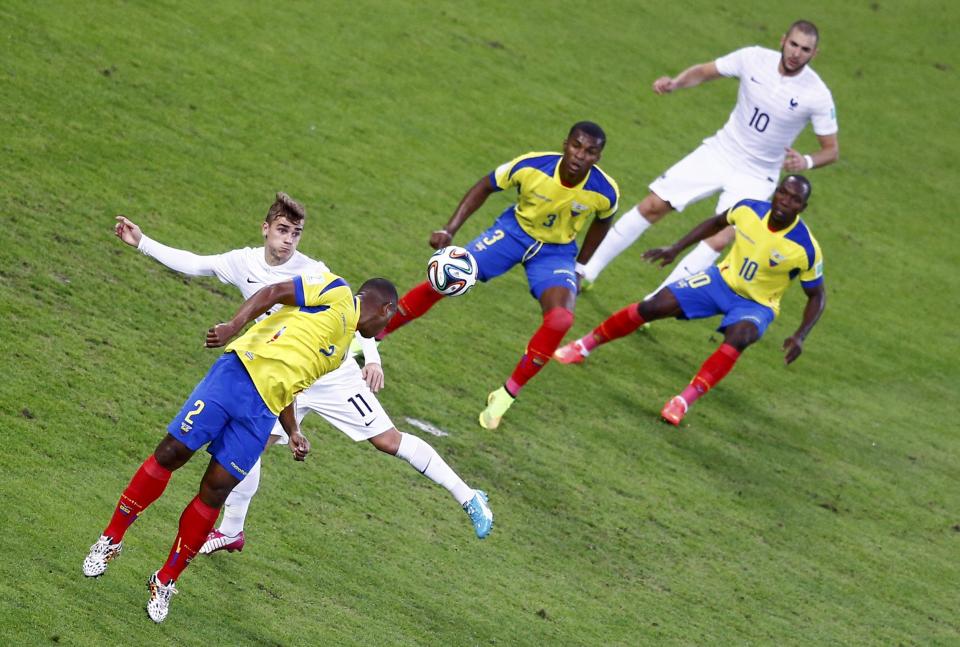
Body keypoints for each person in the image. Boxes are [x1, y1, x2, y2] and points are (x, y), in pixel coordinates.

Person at [111, 195, 493, 559]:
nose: (288, 241)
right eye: (282, 231)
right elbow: (196, 263)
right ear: (265, 229)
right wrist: (142, 241)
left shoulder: (314, 271)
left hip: (330, 376)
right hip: (277, 376)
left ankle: (467, 495)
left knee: (387, 440)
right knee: (247, 451)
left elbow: (358, 313)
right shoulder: (242, 264)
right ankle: (231, 530)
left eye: (295, 234)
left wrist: (371, 357)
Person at [83, 253, 399, 623]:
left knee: (215, 491)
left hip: (263, 413)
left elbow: (291, 385)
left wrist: (294, 429)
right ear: (386, 308)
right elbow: (275, 291)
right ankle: (110, 539)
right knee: (171, 452)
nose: (382, 330)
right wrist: (234, 325)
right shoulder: (338, 291)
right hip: (236, 375)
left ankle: (165, 579)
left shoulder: (342, 352)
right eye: (389, 320)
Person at [376, 122, 620, 429]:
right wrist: (449, 229)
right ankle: (373, 337)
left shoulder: (605, 191)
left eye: (590, 151)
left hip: (555, 254)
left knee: (561, 320)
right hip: (511, 234)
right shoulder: (532, 165)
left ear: (598, 157)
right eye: (576, 146)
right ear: (565, 143)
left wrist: (580, 266)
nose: (580, 155)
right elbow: (485, 185)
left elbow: (603, 221)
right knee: (447, 279)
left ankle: (505, 395)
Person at [579, 20, 838, 297]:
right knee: (654, 204)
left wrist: (807, 161)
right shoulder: (753, 58)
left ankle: (654, 303)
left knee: (718, 238)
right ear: (783, 40)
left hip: (758, 175)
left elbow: (831, 149)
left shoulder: (817, 95)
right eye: (794, 44)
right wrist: (676, 83)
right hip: (719, 151)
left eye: (805, 49)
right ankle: (586, 271)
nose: (796, 53)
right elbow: (705, 71)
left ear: (814, 54)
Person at [555, 175, 825, 425]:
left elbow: (817, 295)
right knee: (653, 306)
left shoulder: (805, 248)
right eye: (783, 193)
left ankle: (682, 401)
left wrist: (801, 335)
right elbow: (716, 223)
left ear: (803, 207)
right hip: (720, 281)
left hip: (756, 305)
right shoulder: (748, 209)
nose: (785, 202)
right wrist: (675, 248)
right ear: (776, 192)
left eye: (794, 200)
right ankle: (583, 346)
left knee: (741, 336)